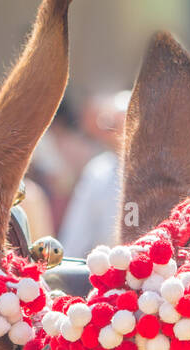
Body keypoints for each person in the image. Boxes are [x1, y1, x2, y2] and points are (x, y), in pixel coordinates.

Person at [58, 91, 129, 257]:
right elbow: (78, 229)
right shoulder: (98, 171)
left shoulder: (160, 171)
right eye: (110, 124)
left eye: (119, 123)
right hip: (103, 270)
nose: (112, 131)